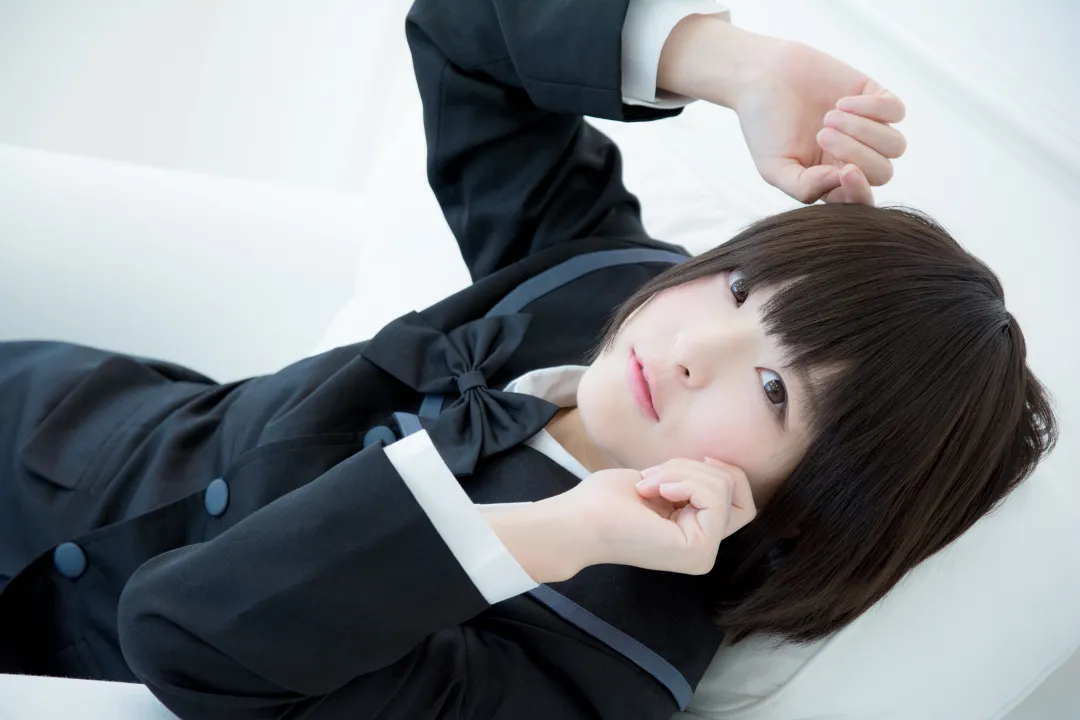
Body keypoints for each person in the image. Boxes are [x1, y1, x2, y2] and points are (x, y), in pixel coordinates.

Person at [0, 1, 1056, 718]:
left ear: (818, 503)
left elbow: (183, 634)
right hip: (46, 422)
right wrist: (730, 63)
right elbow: (460, 33)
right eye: (740, 289)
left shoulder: (605, 663)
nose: (694, 349)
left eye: (775, 388)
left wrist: (554, 533)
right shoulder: (606, 280)